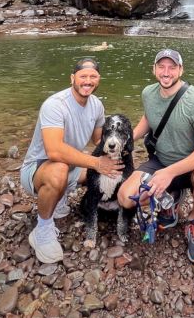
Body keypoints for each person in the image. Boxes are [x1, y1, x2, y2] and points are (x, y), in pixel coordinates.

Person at [118, 48, 194, 264]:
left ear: (181, 70)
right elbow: (149, 118)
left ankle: (193, 221)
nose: (166, 72)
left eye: (172, 67)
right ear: (154, 70)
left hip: (192, 166)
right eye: (161, 67)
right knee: (125, 198)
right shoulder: (148, 93)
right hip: (161, 161)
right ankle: (171, 201)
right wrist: (128, 141)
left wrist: (169, 173)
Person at [20, 57, 123, 263]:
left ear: (98, 80)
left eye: (92, 76)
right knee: (60, 168)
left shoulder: (97, 106)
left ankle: (61, 195)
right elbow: (54, 151)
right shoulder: (55, 105)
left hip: (71, 167)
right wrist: (96, 163)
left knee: (113, 171)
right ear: (72, 78)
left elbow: (98, 140)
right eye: (83, 76)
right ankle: (42, 230)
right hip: (39, 169)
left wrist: (122, 138)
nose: (88, 81)